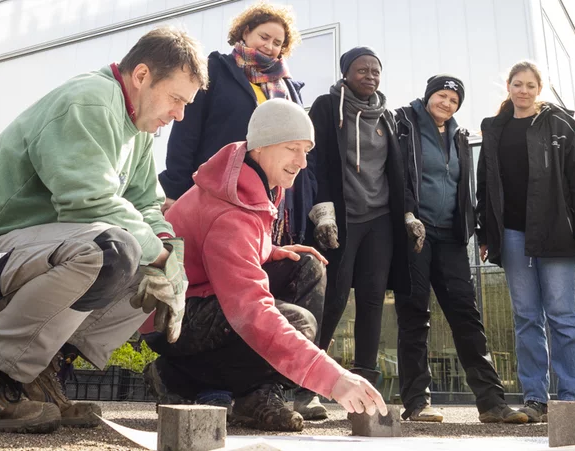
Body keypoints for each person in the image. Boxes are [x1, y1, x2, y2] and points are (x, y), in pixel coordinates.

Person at [0, 26, 207, 433]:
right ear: (141, 76)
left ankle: (35, 373)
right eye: (177, 98)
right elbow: (87, 202)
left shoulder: (137, 127)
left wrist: (170, 259)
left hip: (33, 256)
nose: (180, 114)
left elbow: (146, 204)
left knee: (149, 265)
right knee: (112, 249)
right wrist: (160, 255)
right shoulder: (87, 100)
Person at [142, 99, 388, 432]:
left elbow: (222, 252)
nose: (302, 162)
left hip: (200, 299)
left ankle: (257, 395)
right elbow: (251, 310)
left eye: (306, 150)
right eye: (293, 149)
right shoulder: (230, 208)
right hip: (171, 320)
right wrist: (333, 378)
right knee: (296, 323)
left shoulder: (254, 180)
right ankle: (177, 377)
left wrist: (269, 250)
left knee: (307, 266)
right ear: (262, 146)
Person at [394, 75, 527, 424]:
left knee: (466, 315)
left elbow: (466, 187)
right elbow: (395, 175)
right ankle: (416, 402)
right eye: (441, 95)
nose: (447, 103)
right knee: (414, 316)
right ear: (428, 97)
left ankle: (491, 402)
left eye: (454, 100)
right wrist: (406, 214)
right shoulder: (403, 123)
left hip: (451, 236)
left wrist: (477, 229)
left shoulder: (460, 136)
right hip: (414, 233)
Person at [476, 61, 575, 423]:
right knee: (527, 317)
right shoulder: (495, 128)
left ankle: (572, 397)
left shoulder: (560, 123)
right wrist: (486, 233)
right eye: (517, 84)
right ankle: (535, 399)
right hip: (512, 234)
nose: (523, 90)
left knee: (562, 315)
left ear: (538, 89)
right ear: (508, 87)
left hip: (558, 230)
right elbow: (485, 184)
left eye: (530, 85)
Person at [159, 2, 314, 248]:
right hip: (219, 192)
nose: (270, 47)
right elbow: (185, 134)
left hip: (275, 199)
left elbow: (302, 147)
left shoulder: (289, 89)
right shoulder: (215, 70)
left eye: (278, 43)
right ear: (245, 32)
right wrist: (176, 190)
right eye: (264, 37)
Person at [307, 47, 418, 391]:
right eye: (361, 70)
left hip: (380, 217)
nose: (370, 76)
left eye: (375, 71)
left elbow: (398, 171)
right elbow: (314, 162)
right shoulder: (326, 108)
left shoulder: (388, 116)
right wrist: (322, 211)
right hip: (342, 216)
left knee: (372, 297)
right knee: (335, 297)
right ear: (345, 74)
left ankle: (366, 385)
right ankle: (306, 383)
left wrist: (409, 213)